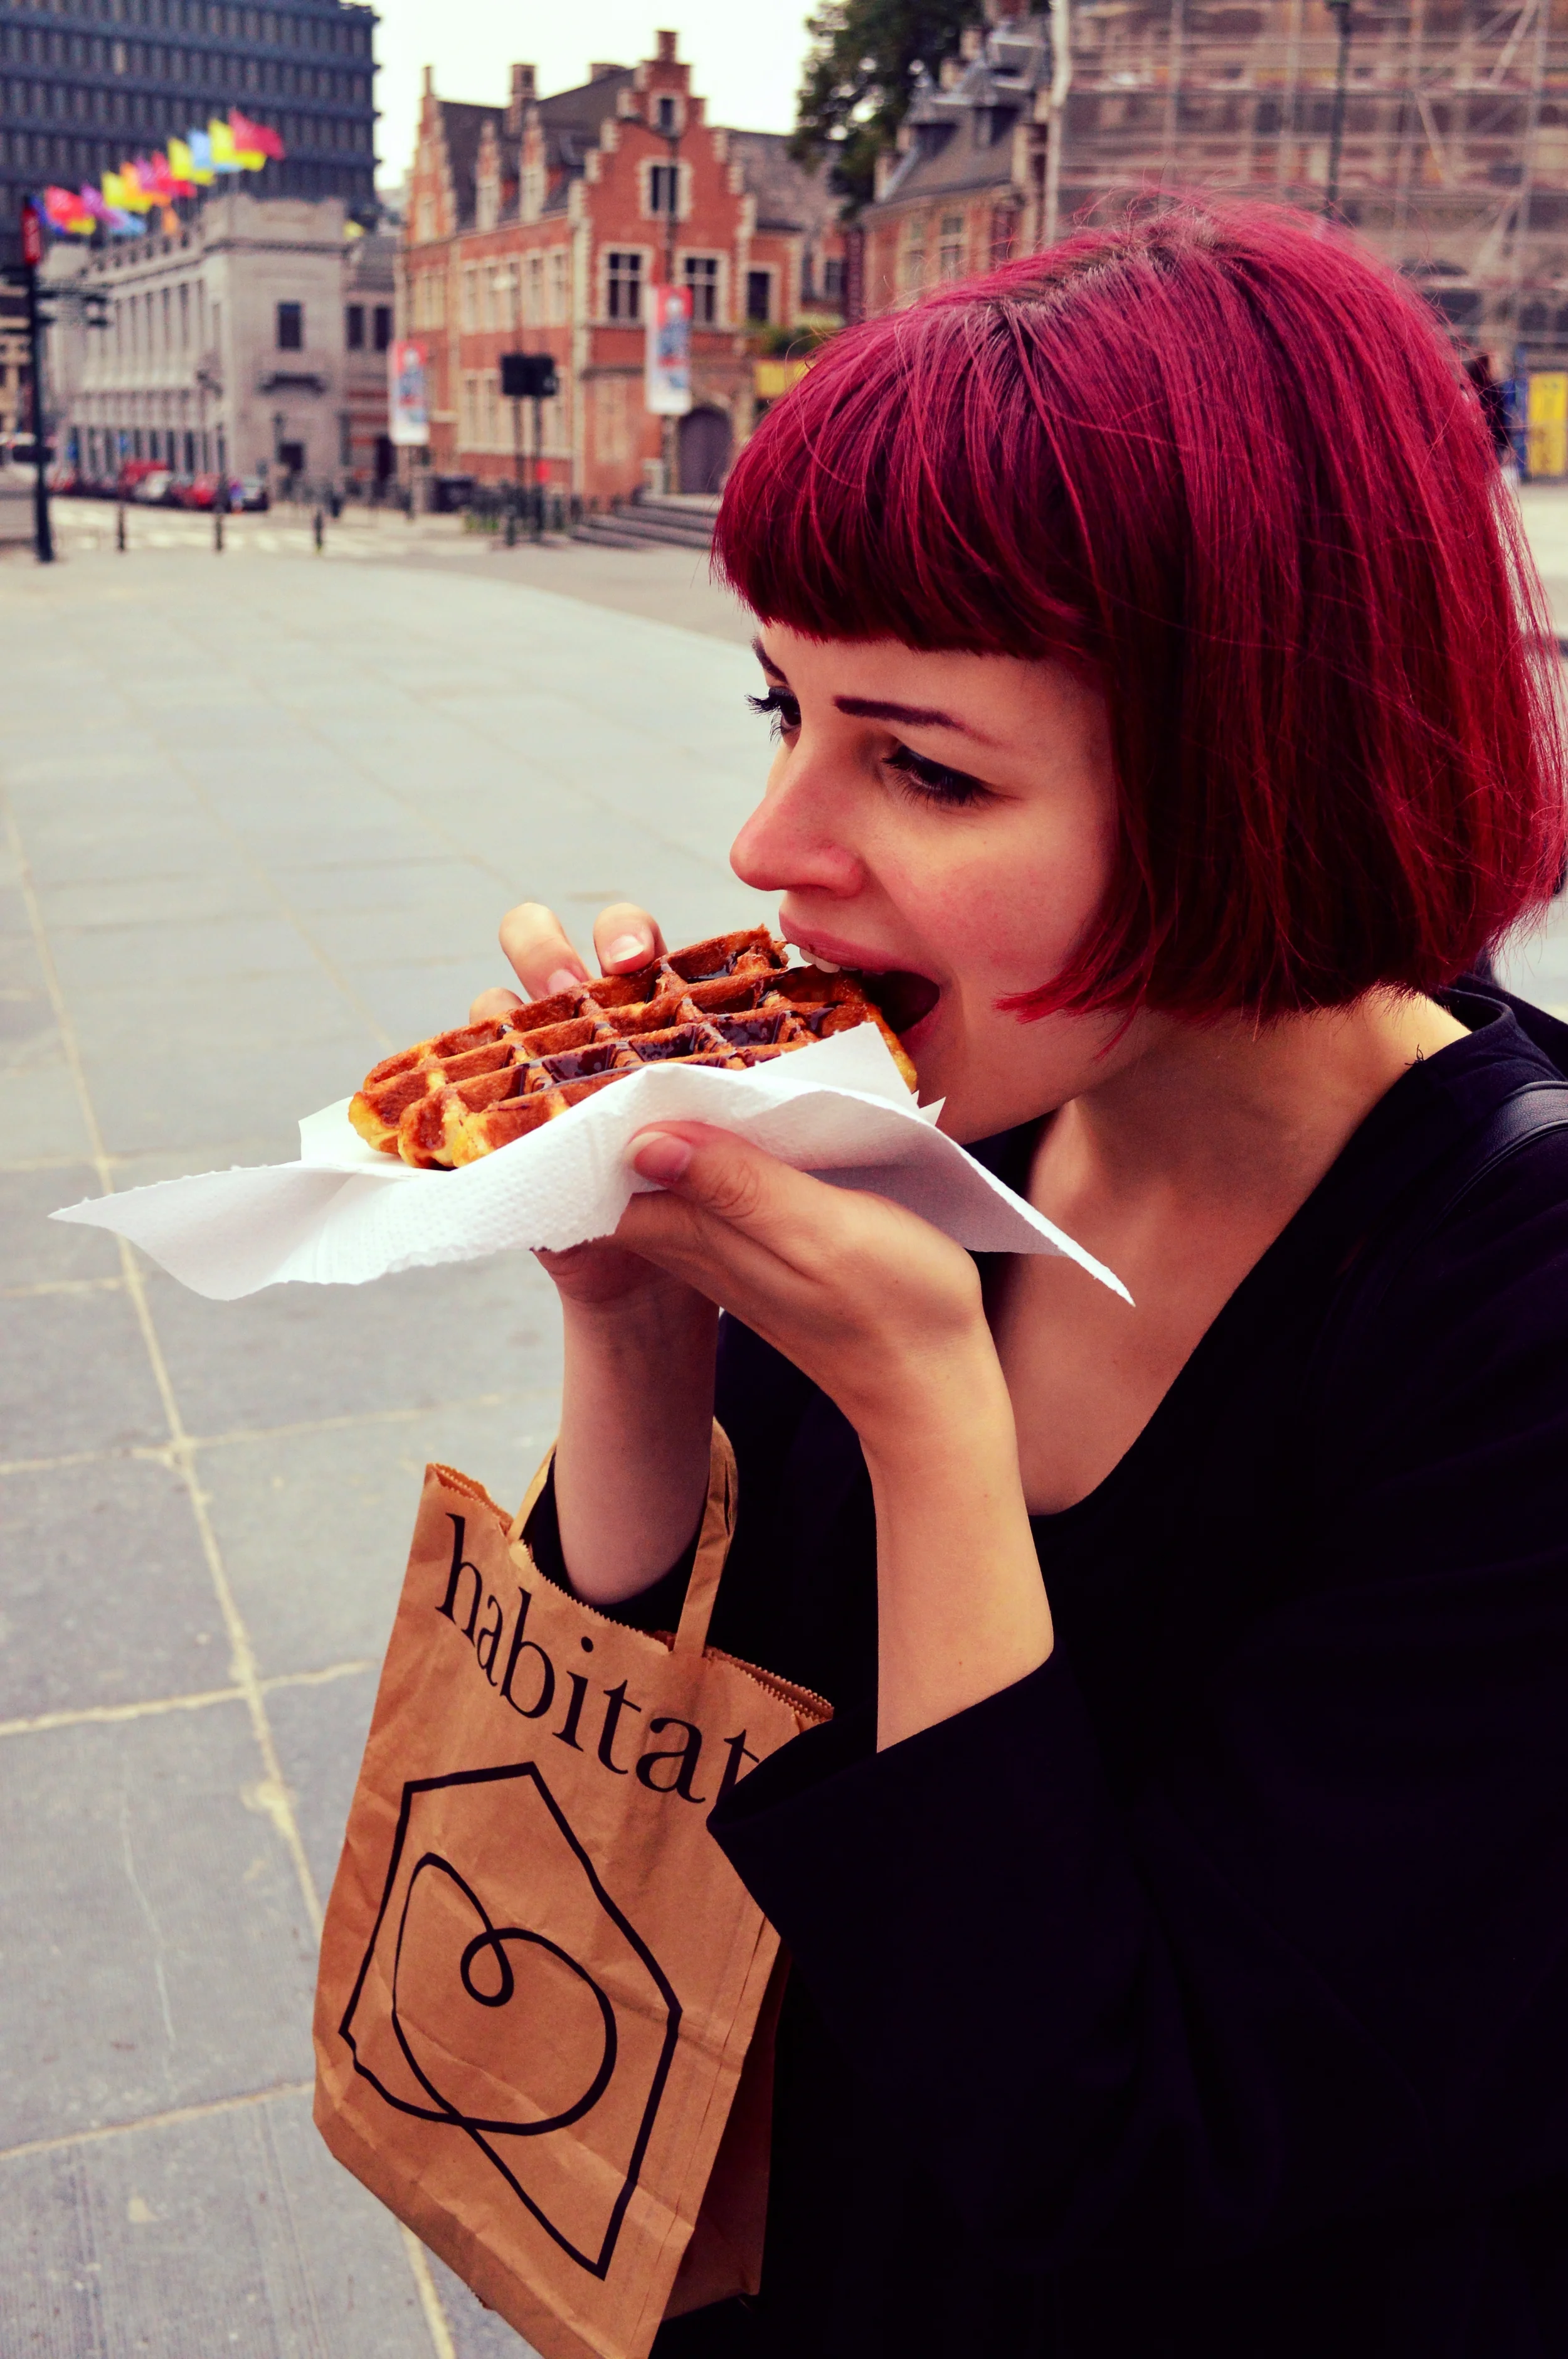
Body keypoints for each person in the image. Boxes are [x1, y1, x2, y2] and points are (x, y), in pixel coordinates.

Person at [471, 203, 1568, 2356]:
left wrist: (920, 1415)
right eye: (782, 708)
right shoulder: (941, 1111)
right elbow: (636, 1769)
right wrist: (631, 1326)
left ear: (1262, 778)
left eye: (923, 763)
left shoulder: (1508, 1323)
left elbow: (1131, 2148)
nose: (769, 847)